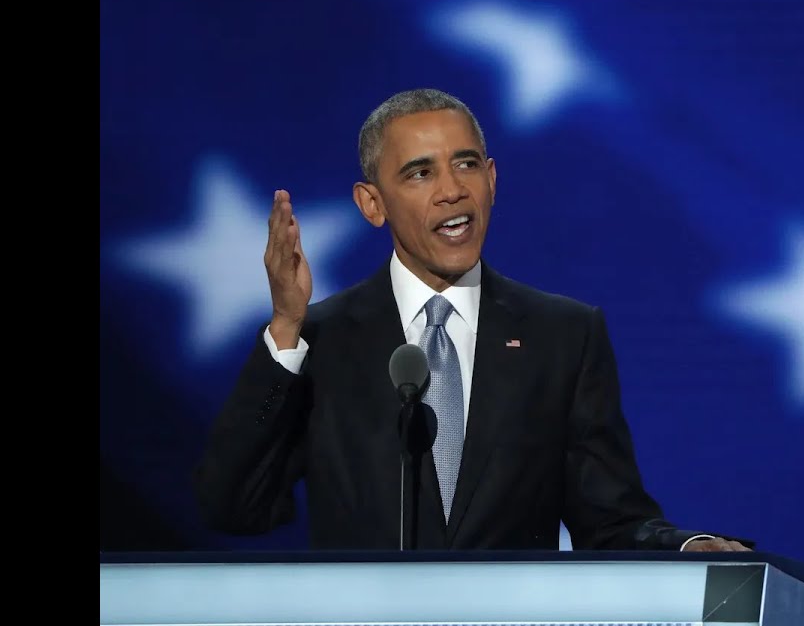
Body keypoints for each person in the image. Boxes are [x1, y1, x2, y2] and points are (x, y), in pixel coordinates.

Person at [193, 88, 751, 552]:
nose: (452, 190)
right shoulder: (322, 341)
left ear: (492, 179)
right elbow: (235, 506)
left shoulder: (563, 335)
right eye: (419, 173)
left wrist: (685, 548)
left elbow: (610, 519)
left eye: (466, 164)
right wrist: (285, 330)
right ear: (372, 204)